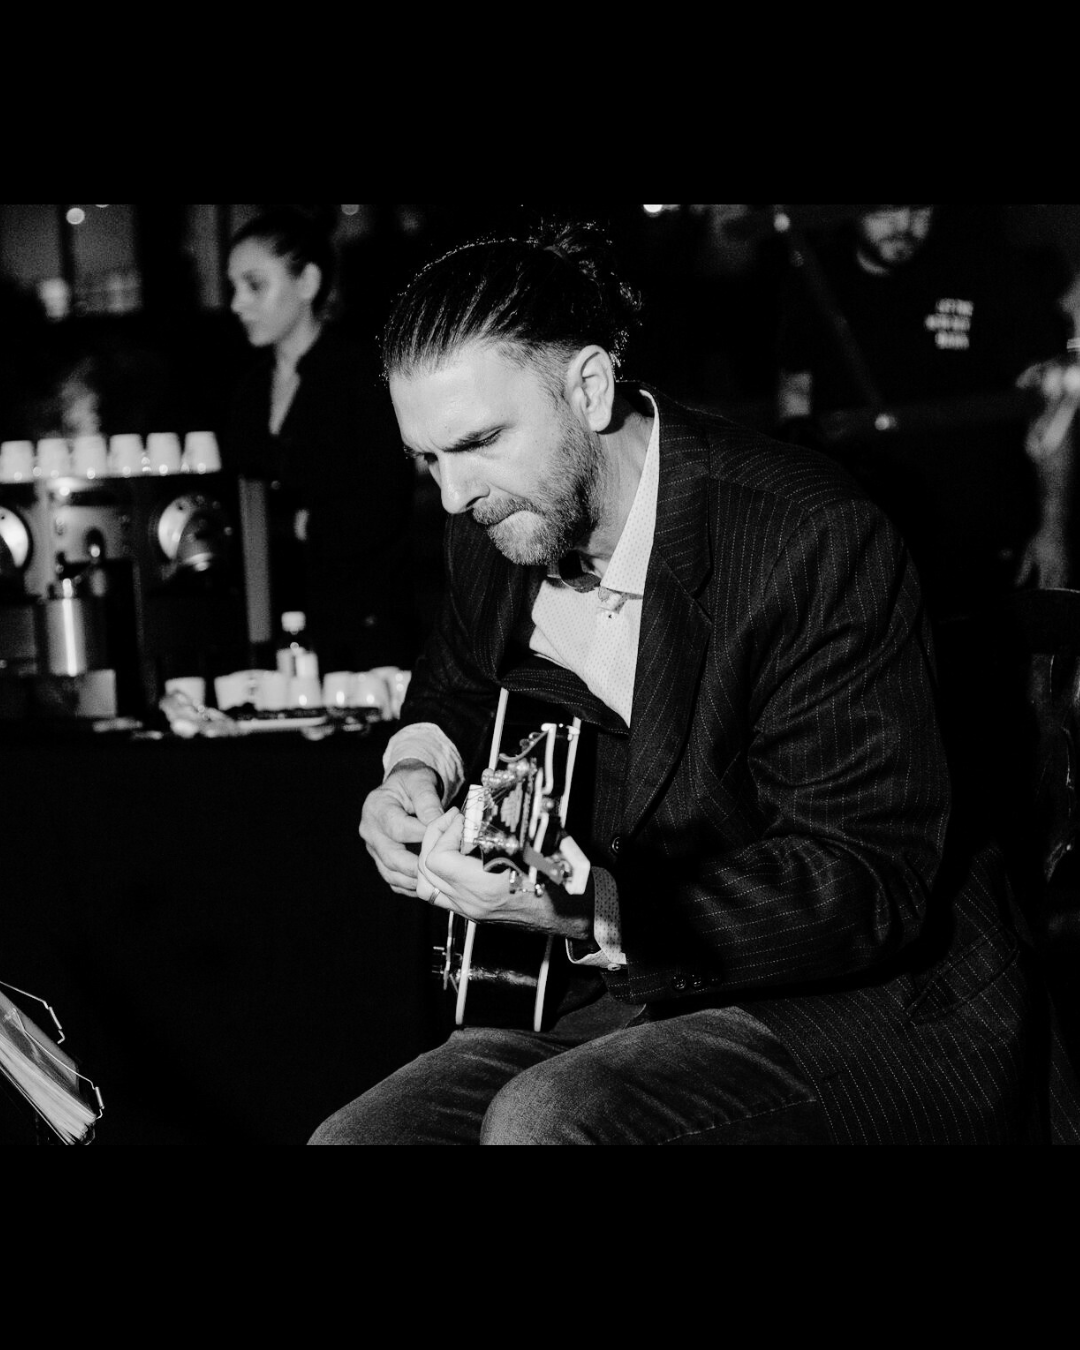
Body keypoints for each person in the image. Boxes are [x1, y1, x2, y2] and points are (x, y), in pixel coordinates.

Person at [310, 220, 1080, 1146]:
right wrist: (415, 768)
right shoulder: (495, 515)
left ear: (589, 387)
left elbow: (868, 883)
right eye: (428, 458)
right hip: (614, 995)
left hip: (852, 1006)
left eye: (478, 441)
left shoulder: (810, 538)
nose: (450, 494)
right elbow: (459, 679)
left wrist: (594, 909)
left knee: (543, 1121)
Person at [775, 204, 1073, 624]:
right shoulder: (817, 275)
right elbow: (795, 394)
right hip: (858, 547)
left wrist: (1052, 528)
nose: (904, 225)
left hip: (975, 547)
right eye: (886, 209)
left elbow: (1049, 405)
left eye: (919, 209)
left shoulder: (984, 270)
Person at [224, 207, 417, 673]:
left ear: (307, 283)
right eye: (234, 287)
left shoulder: (361, 377)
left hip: (361, 634)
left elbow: (383, 505)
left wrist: (295, 525)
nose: (237, 304)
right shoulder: (248, 390)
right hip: (268, 630)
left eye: (255, 285)